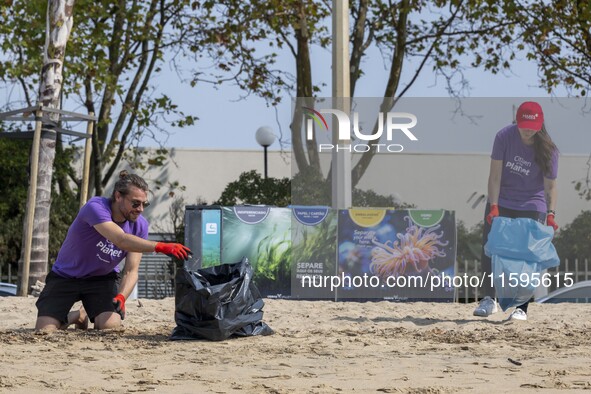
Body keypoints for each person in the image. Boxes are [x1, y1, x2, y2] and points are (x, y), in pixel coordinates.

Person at [35, 171, 192, 331]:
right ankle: (78, 316)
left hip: (101, 279)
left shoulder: (140, 225)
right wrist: (160, 246)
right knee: (44, 330)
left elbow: (131, 271)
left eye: (145, 204)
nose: (141, 209)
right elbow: (120, 239)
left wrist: (122, 296)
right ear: (118, 196)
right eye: (136, 203)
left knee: (110, 327)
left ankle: (92, 315)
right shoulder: (95, 207)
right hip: (66, 276)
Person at [473, 101, 559, 321]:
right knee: (490, 249)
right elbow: (494, 177)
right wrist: (493, 206)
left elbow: (550, 187)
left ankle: (522, 307)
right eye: (524, 125)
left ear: (540, 124)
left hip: (532, 204)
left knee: (527, 257)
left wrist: (551, 214)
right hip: (502, 200)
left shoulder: (549, 149)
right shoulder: (503, 137)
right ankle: (489, 299)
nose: (528, 130)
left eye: (533, 126)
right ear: (517, 122)